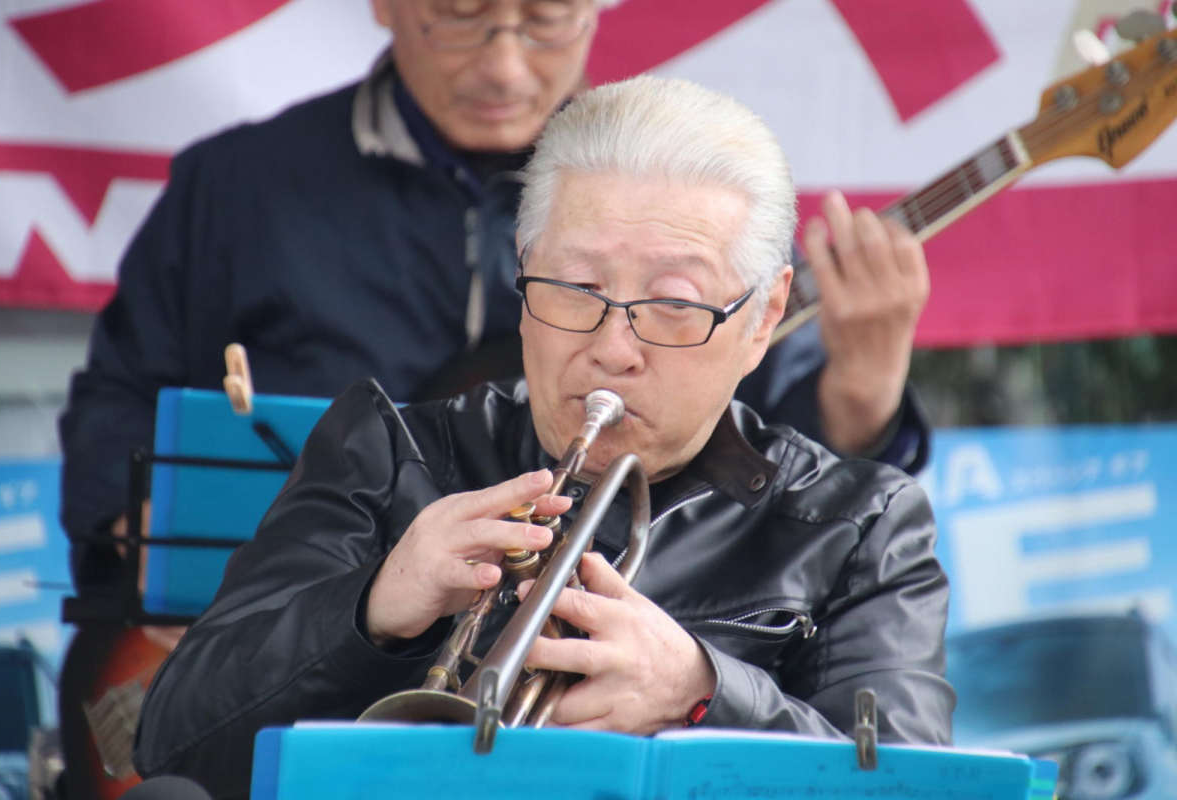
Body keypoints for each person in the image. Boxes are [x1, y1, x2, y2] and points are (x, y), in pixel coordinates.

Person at [133, 75, 953, 800]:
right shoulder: (386, 456)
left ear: (764, 317)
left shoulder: (861, 523)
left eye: (674, 304)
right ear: (524, 272)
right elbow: (174, 747)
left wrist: (706, 692)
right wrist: (375, 606)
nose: (612, 347)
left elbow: (913, 782)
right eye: (574, 288)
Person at [58, 0, 931, 604]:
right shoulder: (240, 186)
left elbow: (784, 488)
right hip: (284, 626)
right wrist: (161, 562)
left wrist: (861, 396)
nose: (506, 64)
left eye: (548, 21)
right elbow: (115, 403)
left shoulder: (685, 201)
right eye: (461, 17)